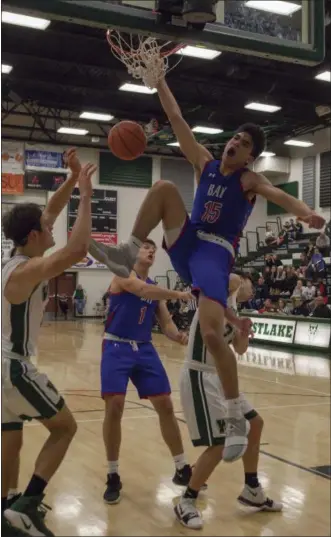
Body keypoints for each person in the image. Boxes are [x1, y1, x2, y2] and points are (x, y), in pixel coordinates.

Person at [89, 77, 325, 463]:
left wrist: (306, 214)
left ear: (250, 157)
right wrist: (160, 81)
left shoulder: (250, 180)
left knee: (214, 336)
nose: (236, 143)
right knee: (164, 187)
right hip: (189, 239)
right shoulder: (205, 163)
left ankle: (234, 417)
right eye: (236, 137)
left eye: (246, 144)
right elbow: (176, 116)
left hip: (214, 254)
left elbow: (281, 196)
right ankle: (128, 250)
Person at [2, 150, 96, 537]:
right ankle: (26, 505)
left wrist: (72, 178)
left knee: (10, 435)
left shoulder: (14, 254)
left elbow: (51, 210)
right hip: (12, 365)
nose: (51, 224)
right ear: (34, 236)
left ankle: (7, 506)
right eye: (45, 225)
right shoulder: (28, 268)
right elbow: (77, 251)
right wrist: (87, 195)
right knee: (65, 428)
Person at [175, 272, 282, 529]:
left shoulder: (234, 310)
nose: (253, 288)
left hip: (222, 379)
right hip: (200, 375)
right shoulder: (218, 294)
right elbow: (229, 276)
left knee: (255, 423)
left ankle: (251, 488)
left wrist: (243, 330)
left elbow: (241, 349)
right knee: (219, 442)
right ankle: (186, 500)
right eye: (250, 282)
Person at [93, 238, 196, 504]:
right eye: (145, 247)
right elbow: (142, 290)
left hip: (144, 348)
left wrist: (180, 336)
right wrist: (179, 294)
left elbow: (167, 323)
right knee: (114, 405)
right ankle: (113, 473)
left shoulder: (154, 288)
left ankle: (182, 467)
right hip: (116, 346)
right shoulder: (122, 274)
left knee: (165, 405)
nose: (151, 251)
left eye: (153, 249)